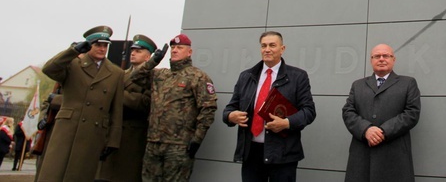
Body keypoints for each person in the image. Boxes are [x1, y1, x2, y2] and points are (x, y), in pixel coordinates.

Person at [223, 31, 316, 182]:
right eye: (263, 46)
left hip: (283, 153)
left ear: (282, 48)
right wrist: (230, 116)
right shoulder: (246, 76)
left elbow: (309, 111)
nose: (267, 49)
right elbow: (229, 109)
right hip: (251, 153)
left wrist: (286, 123)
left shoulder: (298, 77)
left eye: (272, 45)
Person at [38, 26, 125, 182]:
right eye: (98, 44)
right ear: (88, 45)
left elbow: (116, 109)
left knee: (79, 175)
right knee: (53, 174)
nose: (102, 48)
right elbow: (49, 69)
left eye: (105, 45)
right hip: (67, 130)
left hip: (93, 134)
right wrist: (73, 50)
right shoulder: (73, 64)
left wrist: (113, 140)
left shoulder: (116, 73)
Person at [134, 33, 217, 182]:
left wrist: (197, 139)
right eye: (173, 47)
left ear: (189, 52)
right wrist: (154, 61)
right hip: (154, 142)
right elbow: (136, 77)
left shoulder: (197, 77)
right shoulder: (160, 75)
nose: (175, 50)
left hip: (179, 145)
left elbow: (208, 108)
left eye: (179, 47)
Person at [342, 43, 421, 182]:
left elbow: (411, 113)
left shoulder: (408, 83)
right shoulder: (357, 85)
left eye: (386, 55)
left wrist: (383, 132)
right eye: (377, 56)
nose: (381, 59)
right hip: (362, 155)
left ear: (393, 59)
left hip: (394, 156)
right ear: (371, 60)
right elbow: (348, 112)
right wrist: (366, 129)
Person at [97, 34, 157, 182]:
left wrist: (118, 95)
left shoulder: (152, 76)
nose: (133, 53)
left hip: (133, 133)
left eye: (139, 51)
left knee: (125, 174)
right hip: (113, 129)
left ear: (148, 57)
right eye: (133, 50)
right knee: (104, 175)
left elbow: (146, 102)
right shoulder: (120, 74)